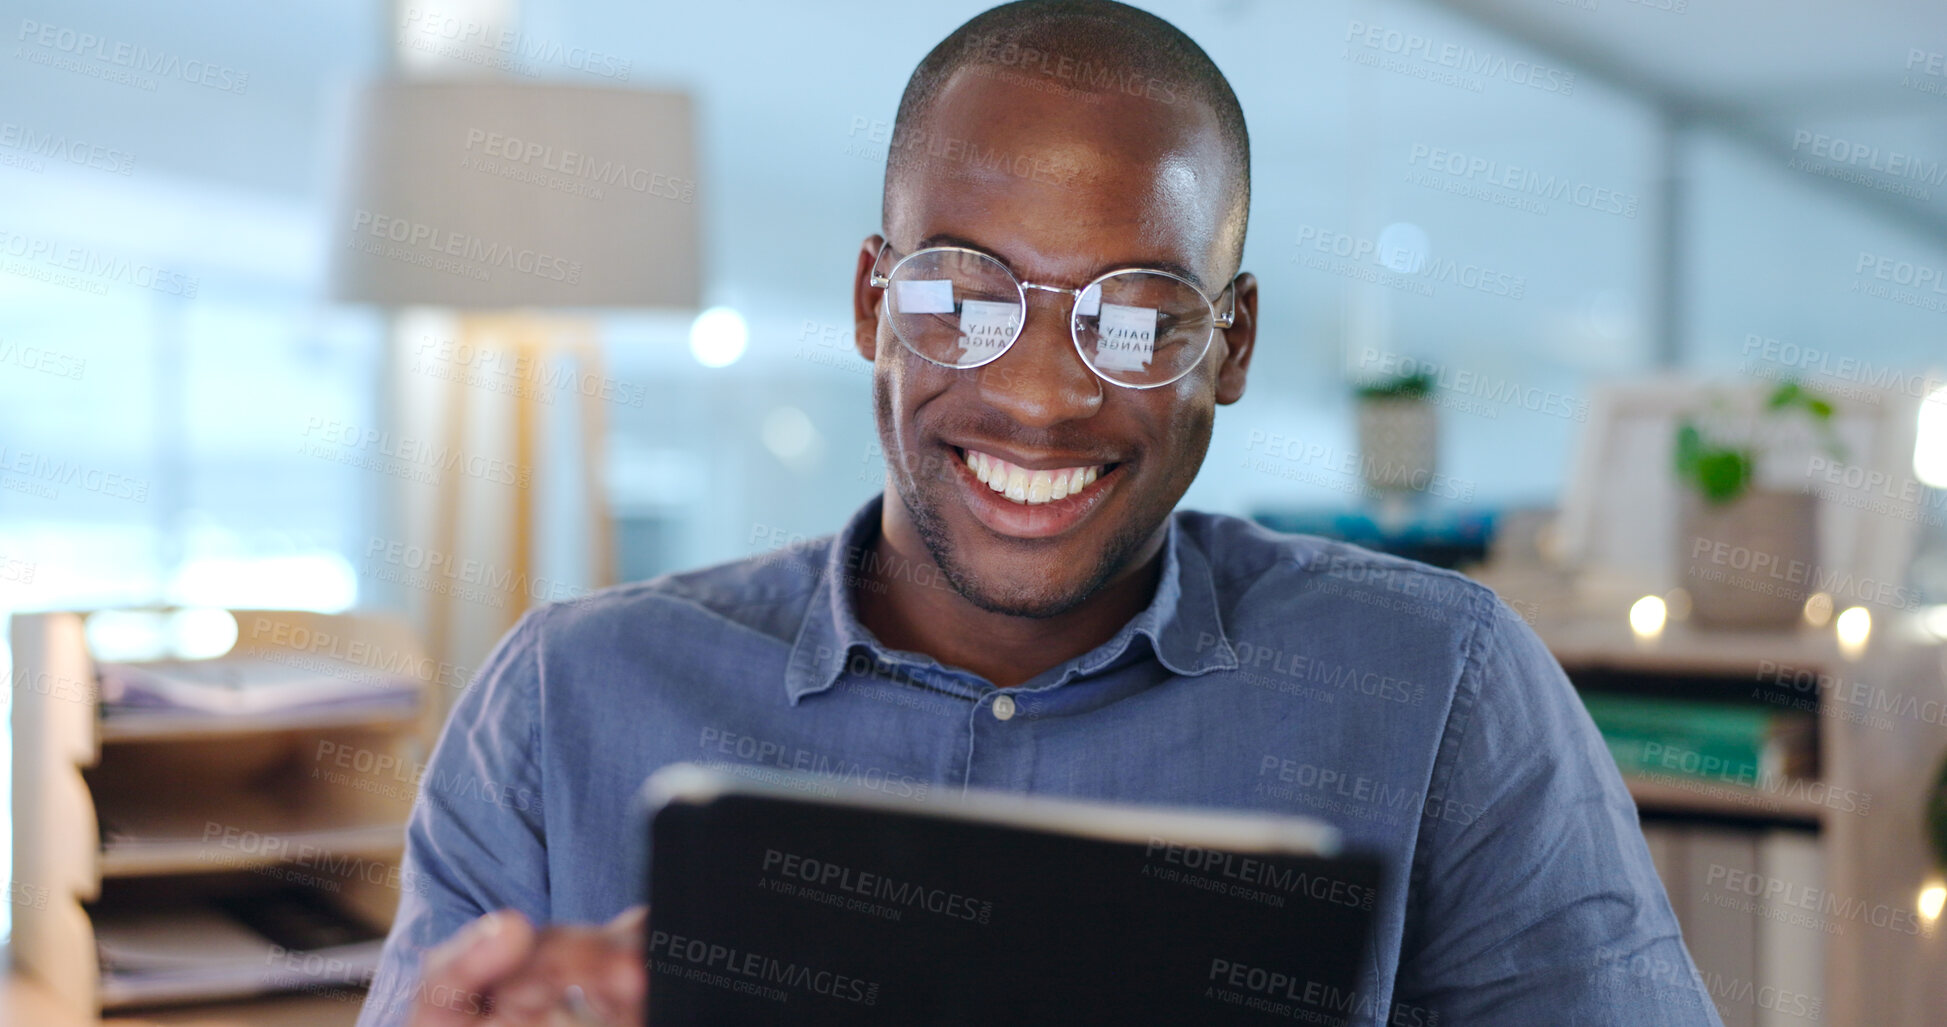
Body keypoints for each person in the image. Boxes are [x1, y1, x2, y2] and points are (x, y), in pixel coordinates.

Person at [359, 2, 1721, 1024]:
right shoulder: (565, 699)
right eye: (963, 294)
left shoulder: (1438, 688)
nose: (1043, 396)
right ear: (869, 306)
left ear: (1230, 347)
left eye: (1137, 314)